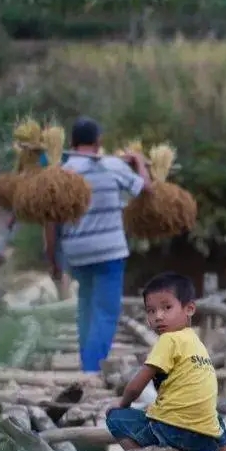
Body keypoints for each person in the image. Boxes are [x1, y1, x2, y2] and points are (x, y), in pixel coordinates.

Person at [43, 117, 150, 374]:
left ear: (71, 143)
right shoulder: (112, 166)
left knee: (87, 306)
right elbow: (148, 189)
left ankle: (85, 363)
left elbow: (49, 224)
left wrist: (53, 261)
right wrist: (139, 163)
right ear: (99, 142)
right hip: (109, 253)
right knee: (105, 312)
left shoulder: (62, 173)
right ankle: (91, 371)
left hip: (76, 255)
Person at [106, 272, 226, 451]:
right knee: (211, 413)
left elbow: (136, 387)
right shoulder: (196, 343)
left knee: (114, 418)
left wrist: (122, 403)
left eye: (167, 307)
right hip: (205, 441)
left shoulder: (168, 339)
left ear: (189, 308)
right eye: (151, 311)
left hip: (172, 432)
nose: (158, 316)